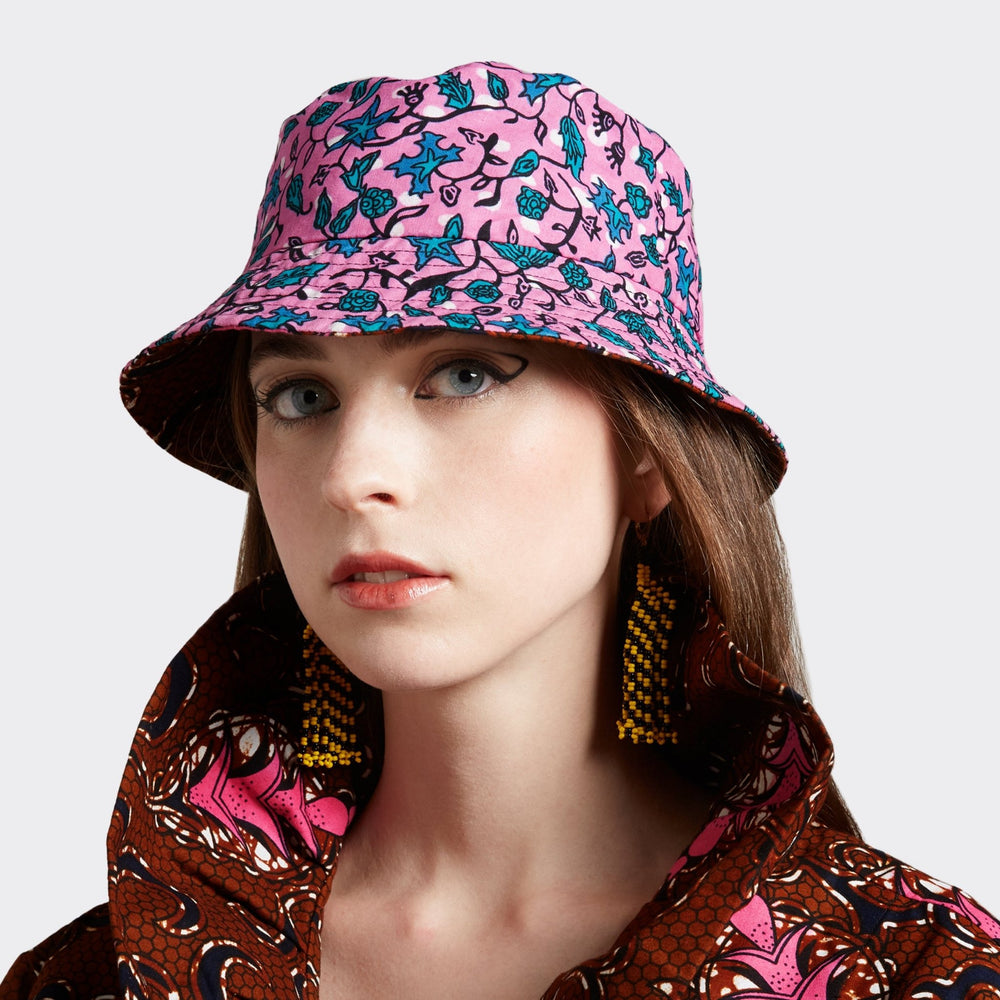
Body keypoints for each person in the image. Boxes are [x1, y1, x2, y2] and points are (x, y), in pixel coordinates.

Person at [3, 59, 998, 1000]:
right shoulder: (93, 982)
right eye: (302, 394)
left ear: (646, 455)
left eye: (464, 373)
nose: (353, 476)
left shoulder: (911, 973)